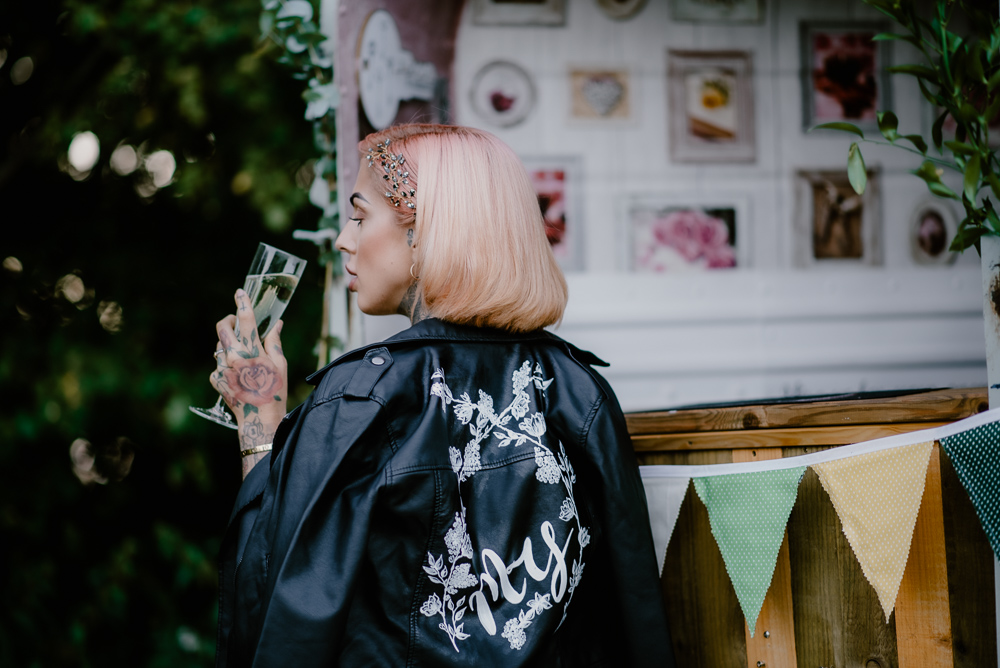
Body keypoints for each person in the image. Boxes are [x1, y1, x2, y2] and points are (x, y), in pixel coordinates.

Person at [210, 124, 675, 667]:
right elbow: (633, 610)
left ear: (423, 231)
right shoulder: (581, 391)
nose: (344, 238)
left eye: (360, 216)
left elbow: (272, 605)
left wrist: (258, 423)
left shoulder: (365, 396)